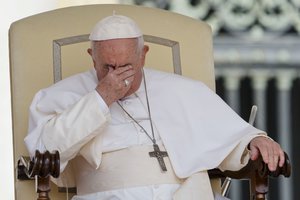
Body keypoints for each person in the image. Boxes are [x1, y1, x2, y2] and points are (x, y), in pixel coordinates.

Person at [25, 15, 285, 200]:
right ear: (92, 57)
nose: (118, 76)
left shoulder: (183, 89)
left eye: (127, 66)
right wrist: (100, 98)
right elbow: (44, 149)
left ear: (143, 54)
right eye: (108, 67)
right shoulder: (61, 95)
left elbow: (229, 136)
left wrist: (254, 140)